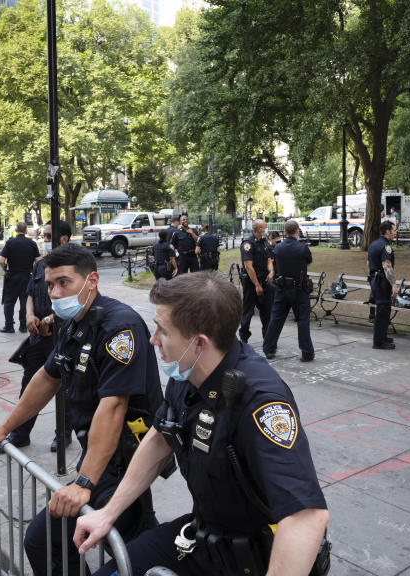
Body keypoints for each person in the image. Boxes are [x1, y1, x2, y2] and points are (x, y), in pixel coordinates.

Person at [74, 272, 330, 576]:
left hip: (256, 559)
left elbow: (307, 516)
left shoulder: (260, 401)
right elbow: (160, 438)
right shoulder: (187, 374)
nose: (153, 339)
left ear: (199, 343)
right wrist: (108, 513)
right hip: (204, 536)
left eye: (162, 330)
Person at [0, 243, 162, 576]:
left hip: (121, 457)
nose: (55, 292)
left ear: (91, 280)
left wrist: (84, 482)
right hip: (99, 454)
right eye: (49, 285)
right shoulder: (74, 322)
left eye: (64, 282)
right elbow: (47, 378)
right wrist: (6, 428)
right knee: (118, 543)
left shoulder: (120, 327)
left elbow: (114, 406)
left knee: (65, 543)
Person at [6, 222, 75, 451]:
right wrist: (29, 315)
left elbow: (76, 302)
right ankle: (20, 432)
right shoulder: (41, 265)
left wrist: (50, 320)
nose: (43, 239)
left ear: (63, 238)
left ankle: (63, 435)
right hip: (38, 337)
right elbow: (29, 293)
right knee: (30, 385)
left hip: (62, 335)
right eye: (42, 235)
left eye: (48, 235)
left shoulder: (74, 264)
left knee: (63, 387)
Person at [262, 220, 314, 362]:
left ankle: (268, 348)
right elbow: (308, 261)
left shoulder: (278, 248)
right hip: (298, 289)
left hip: (282, 288)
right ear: (297, 231)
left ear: (285, 232)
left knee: (276, 319)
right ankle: (306, 352)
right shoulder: (302, 248)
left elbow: (275, 262)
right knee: (303, 320)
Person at [0, 222, 40, 333]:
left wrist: (5, 270)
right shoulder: (32, 243)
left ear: (16, 230)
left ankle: (9, 326)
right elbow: (38, 261)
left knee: (9, 302)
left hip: (12, 275)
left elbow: (1, 261)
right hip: (27, 276)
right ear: (26, 230)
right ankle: (23, 326)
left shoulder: (10, 243)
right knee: (25, 301)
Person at [238, 219, 274, 344]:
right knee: (247, 312)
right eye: (265, 227)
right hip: (252, 283)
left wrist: (271, 271)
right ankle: (243, 340)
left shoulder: (264, 242)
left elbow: (269, 259)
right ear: (259, 229)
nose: (266, 229)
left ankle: (268, 342)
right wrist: (257, 285)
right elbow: (248, 266)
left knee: (267, 312)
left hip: (265, 280)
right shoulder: (248, 244)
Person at [368, 220, 398, 350]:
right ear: (387, 231)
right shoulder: (386, 247)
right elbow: (387, 267)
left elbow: (369, 263)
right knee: (382, 311)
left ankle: (382, 336)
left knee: (384, 310)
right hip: (382, 283)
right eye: (394, 230)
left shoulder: (373, 244)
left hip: (375, 280)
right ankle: (379, 342)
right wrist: (394, 285)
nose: (395, 232)